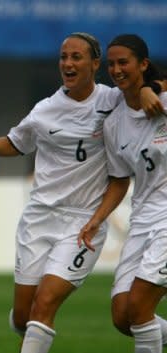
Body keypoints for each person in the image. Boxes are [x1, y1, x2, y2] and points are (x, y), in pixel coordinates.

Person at [0, 32, 164, 353]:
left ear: (94, 65)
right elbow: (15, 144)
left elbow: (141, 85)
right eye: (63, 57)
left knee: (46, 303)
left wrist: (154, 88)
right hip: (39, 219)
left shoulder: (112, 100)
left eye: (76, 57)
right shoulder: (45, 110)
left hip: (81, 224)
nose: (68, 63)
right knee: (25, 317)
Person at [79, 33, 167, 353]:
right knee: (123, 315)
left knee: (141, 306)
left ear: (143, 64)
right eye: (112, 64)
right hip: (142, 218)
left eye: (124, 63)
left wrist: (153, 87)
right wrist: (96, 220)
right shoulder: (114, 123)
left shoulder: (162, 100)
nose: (116, 70)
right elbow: (119, 181)